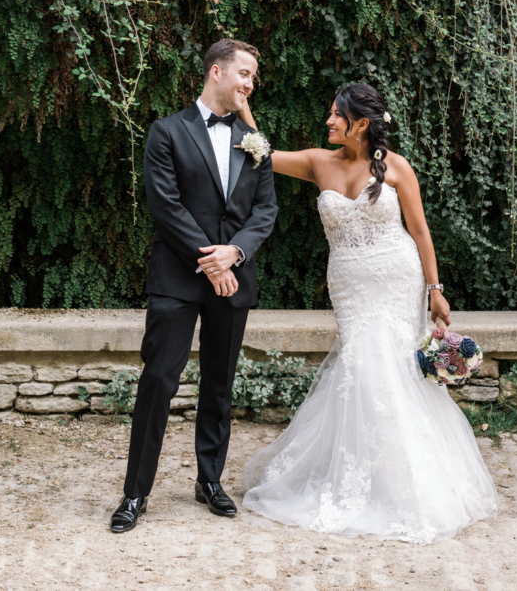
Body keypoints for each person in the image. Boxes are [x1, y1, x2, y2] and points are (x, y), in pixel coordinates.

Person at [237, 82, 497, 543]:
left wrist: (436, 290)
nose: (329, 121)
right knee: (361, 366)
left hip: (397, 280)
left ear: (360, 123)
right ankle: (359, 474)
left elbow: (420, 232)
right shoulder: (319, 162)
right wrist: (243, 107)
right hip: (351, 287)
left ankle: (409, 483)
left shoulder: (396, 167)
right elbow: (264, 154)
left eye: (337, 115)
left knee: (393, 367)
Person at [109, 39, 278, 533]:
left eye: (253, 78)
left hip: (234, 278)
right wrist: (211, 262)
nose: (249, 84)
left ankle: (210, 481)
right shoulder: (167, 131)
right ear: (216, 71)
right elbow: (165, 205)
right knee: (159, 381)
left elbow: (265, 210)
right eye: (244, 73)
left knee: (219, 384)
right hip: (179, 277)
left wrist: (236, 253)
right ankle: (135, 493)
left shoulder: (256, 140)